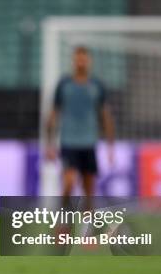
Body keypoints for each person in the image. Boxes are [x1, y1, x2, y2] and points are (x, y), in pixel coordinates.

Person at [46, 46, 115, 208]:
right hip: (69, 142)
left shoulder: (97, 86)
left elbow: (105, 116)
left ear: (89, 61)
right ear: (73, 61)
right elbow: (54, 114)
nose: (81, 62)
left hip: (89, 143)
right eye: (78, 58)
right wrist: (49, 144)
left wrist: (111, 146)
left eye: (84, 59)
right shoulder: (64, 84)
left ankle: (87, 228)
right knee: (69, 183)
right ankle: (63, 221)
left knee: (89, 190)